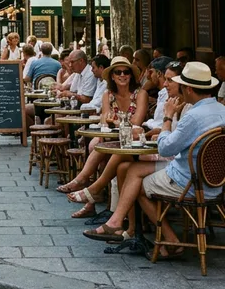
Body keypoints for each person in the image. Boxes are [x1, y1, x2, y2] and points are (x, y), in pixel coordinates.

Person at [84, 62, 225, 251]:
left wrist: (167, 117)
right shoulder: (221, 110)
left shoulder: (193, 116)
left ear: (189, 89)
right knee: (130, 169)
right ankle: (121, 223)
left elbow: (166, 148)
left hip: (189, 182)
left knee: (137, 186)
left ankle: (169, 239)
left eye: (181, 85)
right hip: (216, 183)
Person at [59, 56, 148, 203]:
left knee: (98, 146)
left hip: (134, 139)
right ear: (112, 76)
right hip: (114, 136)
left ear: (131, 75)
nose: (122, 75)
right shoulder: (108, 94)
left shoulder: (140, 94)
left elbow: (136, 123)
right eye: (118, 72)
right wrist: (116, 123)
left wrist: (115, 122)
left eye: (126, 72)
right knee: (96, 144)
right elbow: (106, 121)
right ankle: (89, 190)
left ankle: (85, 185)